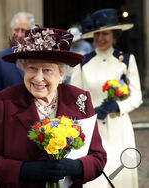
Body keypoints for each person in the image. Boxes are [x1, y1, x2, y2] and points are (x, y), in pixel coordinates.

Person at [0, 26, 107, 188]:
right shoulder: (4, 101)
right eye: (32, 68)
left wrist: (76, 167)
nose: (38, 78)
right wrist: (24, 170)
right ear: (23, 68)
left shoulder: (80, 99)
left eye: (47, 70)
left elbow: (98, 157)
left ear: (61, 75)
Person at [70, 8, 142, 188]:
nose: (101, 38)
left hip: (119, 128)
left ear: (115, 35)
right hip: (92, 127)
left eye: (106, 34)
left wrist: (117, 107)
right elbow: (73, 96)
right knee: (96, 180)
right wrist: (87, 113)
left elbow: (137, 96)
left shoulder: (126, 60)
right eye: (97, 34)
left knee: (121, 177)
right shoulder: (83, 62)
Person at [0, 11, 35, 97]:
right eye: (16, 30)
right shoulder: (2, 58)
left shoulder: (39, 56)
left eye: (23, 30)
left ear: (31, 32)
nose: (19, 35)